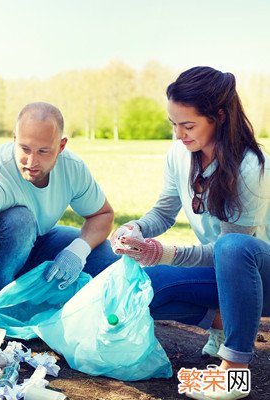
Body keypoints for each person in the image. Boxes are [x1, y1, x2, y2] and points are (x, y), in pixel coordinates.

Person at [111, 67, 269, 400]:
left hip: (259, 278)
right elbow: (163, 212)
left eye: (188, 125)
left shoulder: (252, 166)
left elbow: (231, 250)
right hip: (222, 276)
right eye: (174, 125)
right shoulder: (179, 155)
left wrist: (164, 254)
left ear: (220, 117)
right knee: (143, 290)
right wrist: (135, 229)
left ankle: (234, 373)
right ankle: (222, 321)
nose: (179, 135)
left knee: (232, 248)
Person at [0, 102, 119, 360]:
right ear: (14, 138)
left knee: (105, 256)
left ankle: (44, 303)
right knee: (20, 220)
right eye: (24, 148)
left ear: (61, 146)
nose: (32, 161)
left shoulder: (72, 168)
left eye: (44, 151)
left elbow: (102, 215)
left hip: (34, 236)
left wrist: (77, 251)